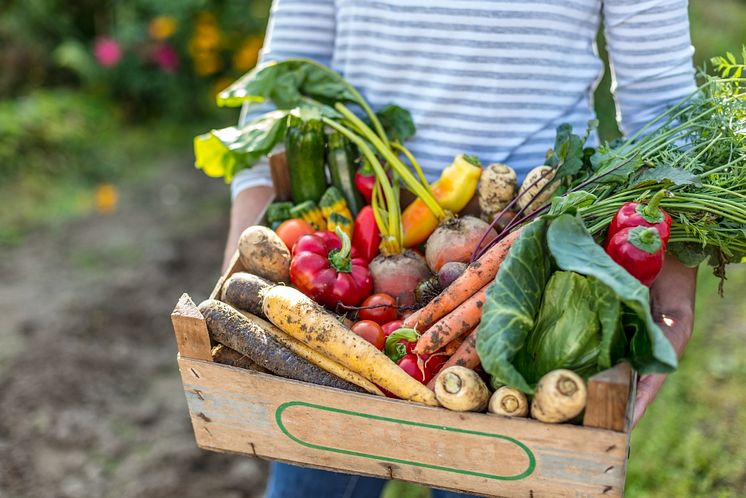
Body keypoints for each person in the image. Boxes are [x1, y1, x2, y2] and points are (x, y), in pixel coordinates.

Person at [222, 1, 697, 496]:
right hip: (348, 259)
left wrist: (677, 284)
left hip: (537, 258)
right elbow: (282, 82)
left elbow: (664, 104)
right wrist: (240, 262)